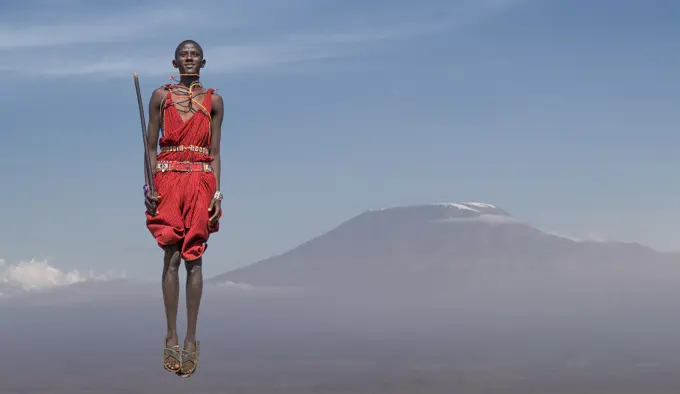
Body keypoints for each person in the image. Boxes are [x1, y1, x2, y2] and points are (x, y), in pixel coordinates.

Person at [143, 39, 224, 378]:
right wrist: (149, 185)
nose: (189, 60)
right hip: (168, 177)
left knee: (195, 256)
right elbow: (149, 146)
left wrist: (217, 194)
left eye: (194, 56)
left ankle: (191, 338)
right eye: (183, 56)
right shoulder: (160, 97)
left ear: (203, 63)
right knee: (172, 256)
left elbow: (216, 151)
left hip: (200, 179)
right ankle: (171, 334)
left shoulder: (214, 101)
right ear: (174, 63)